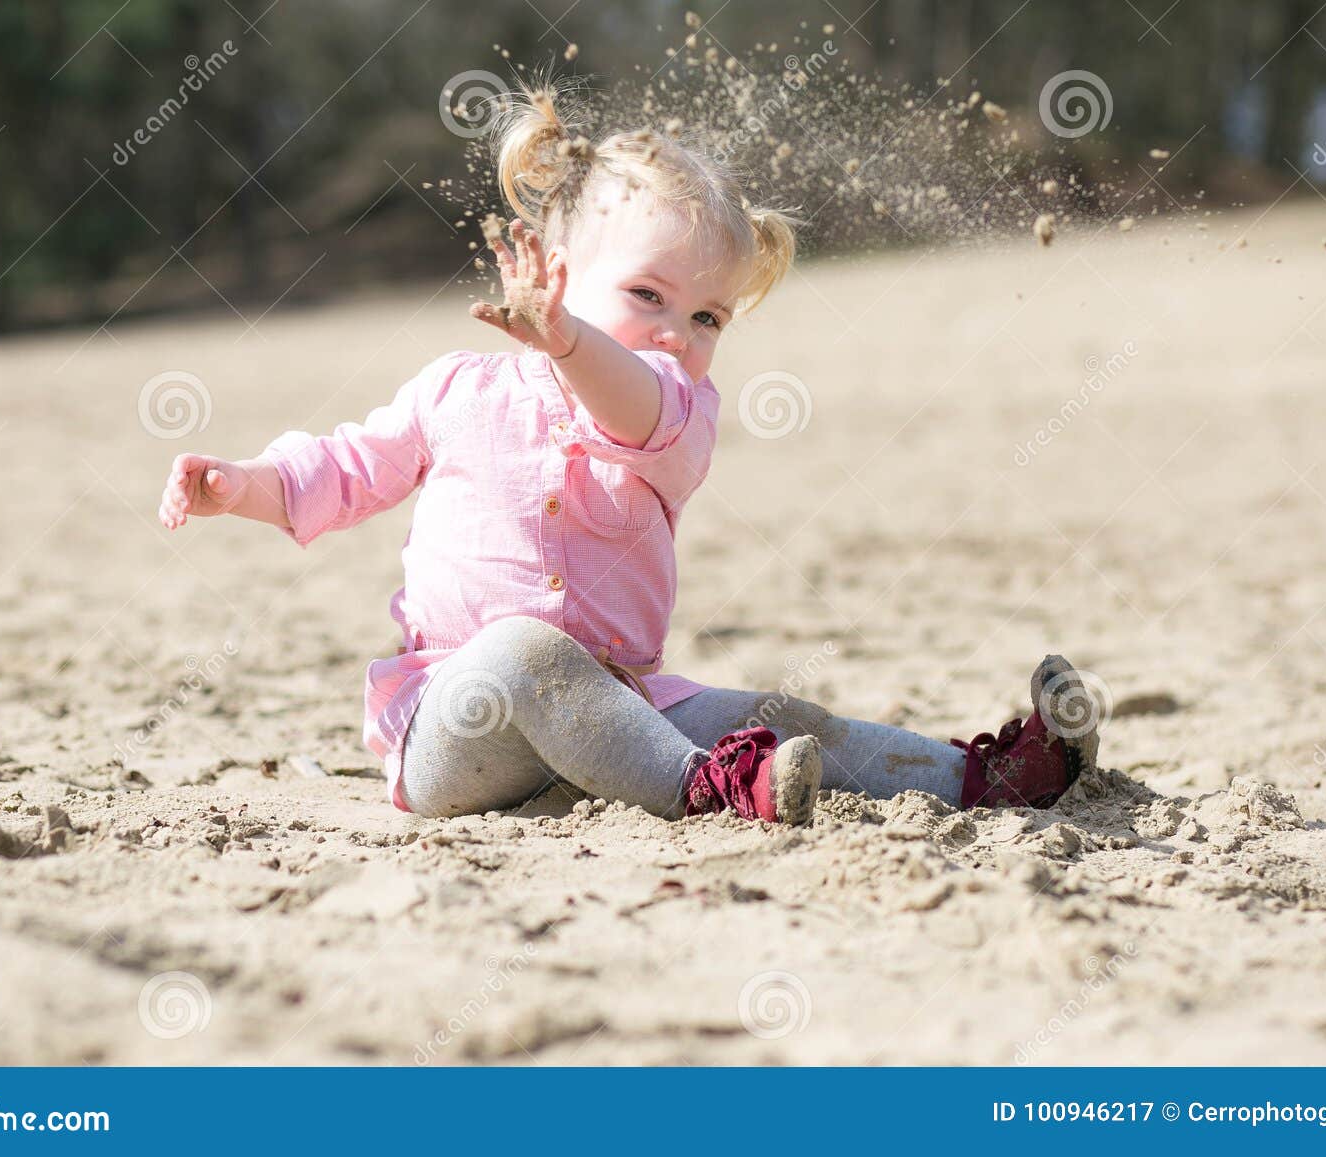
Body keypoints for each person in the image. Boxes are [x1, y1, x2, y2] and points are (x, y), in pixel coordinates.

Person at [156, 85, 1100, 825]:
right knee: (525, 651)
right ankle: (709, 789)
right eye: (647, 294)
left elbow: (630, 404)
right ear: (555, 270)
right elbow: (345, 469)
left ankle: (986, 778)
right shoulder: (456, 391)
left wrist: (574, 340)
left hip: (625, 708)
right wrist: (242, 486)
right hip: (459, 722)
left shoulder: (675, 411)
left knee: (782, 711)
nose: (676, 333)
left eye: (706, 317)